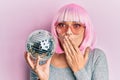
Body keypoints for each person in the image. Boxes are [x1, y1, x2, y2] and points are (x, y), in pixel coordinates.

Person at [25, 3, 108, 80]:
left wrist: (79, 70)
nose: (68, 32)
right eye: (62, 25)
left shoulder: (96, 57)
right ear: (55, 29)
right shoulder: (42, 59)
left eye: (76, 25)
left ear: (86, 30)